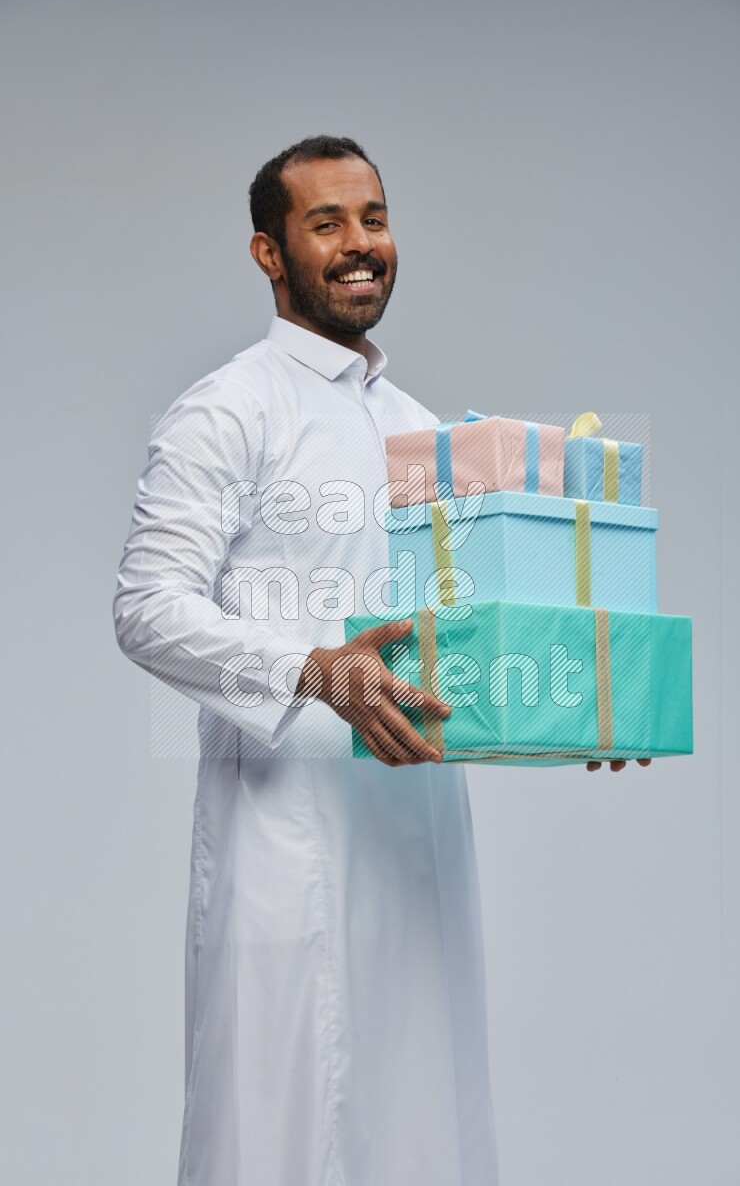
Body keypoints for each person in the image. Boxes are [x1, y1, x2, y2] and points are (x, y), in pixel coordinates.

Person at [114, 135, 500, 1186]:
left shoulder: (421, 432)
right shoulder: (228, 409)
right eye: (325, 223)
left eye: (373, 217)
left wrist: (587, 716)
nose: (359, 243)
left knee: (424, 1128)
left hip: (417, 834)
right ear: (268, 252)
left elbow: (462, 632)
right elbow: (147, 607)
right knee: (283, 1130)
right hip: (286, 835)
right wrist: (313, 669)